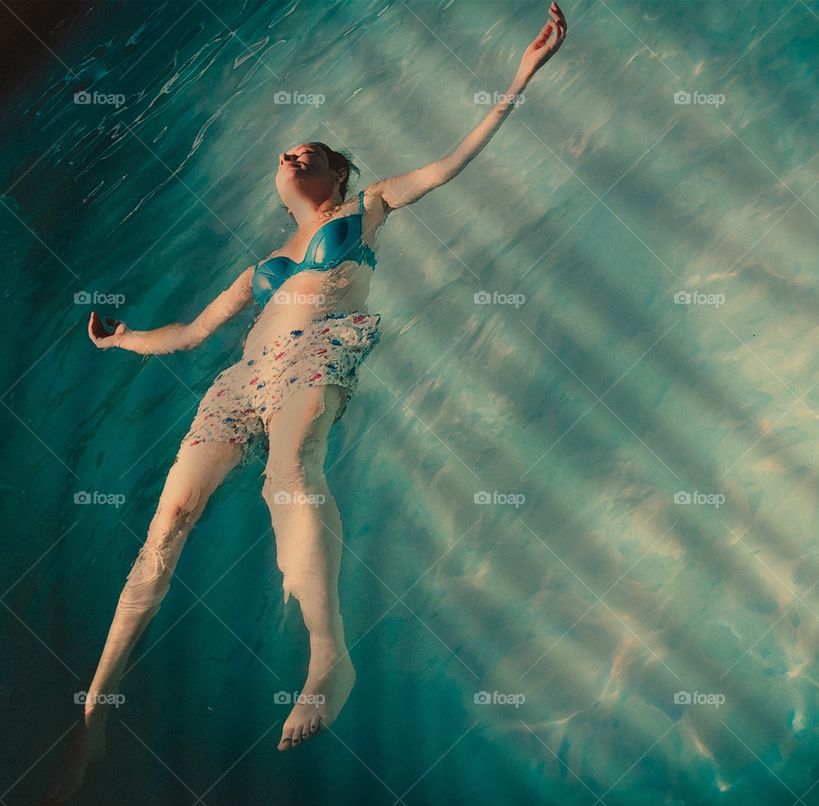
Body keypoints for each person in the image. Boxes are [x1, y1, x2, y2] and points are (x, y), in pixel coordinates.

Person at [43, 3, 566, 801]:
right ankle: (96, 710)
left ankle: (330, 656)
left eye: (312, 151)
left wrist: (519, 78)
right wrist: (120, 340)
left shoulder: (367, 211)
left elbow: (454, 162)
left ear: (338, 178)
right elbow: (186, 334)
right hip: (242, 381)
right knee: (166, 524)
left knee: (289, 468)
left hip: (319, 352)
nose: (295, 152)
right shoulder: (259, 268)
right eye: (290, 149)